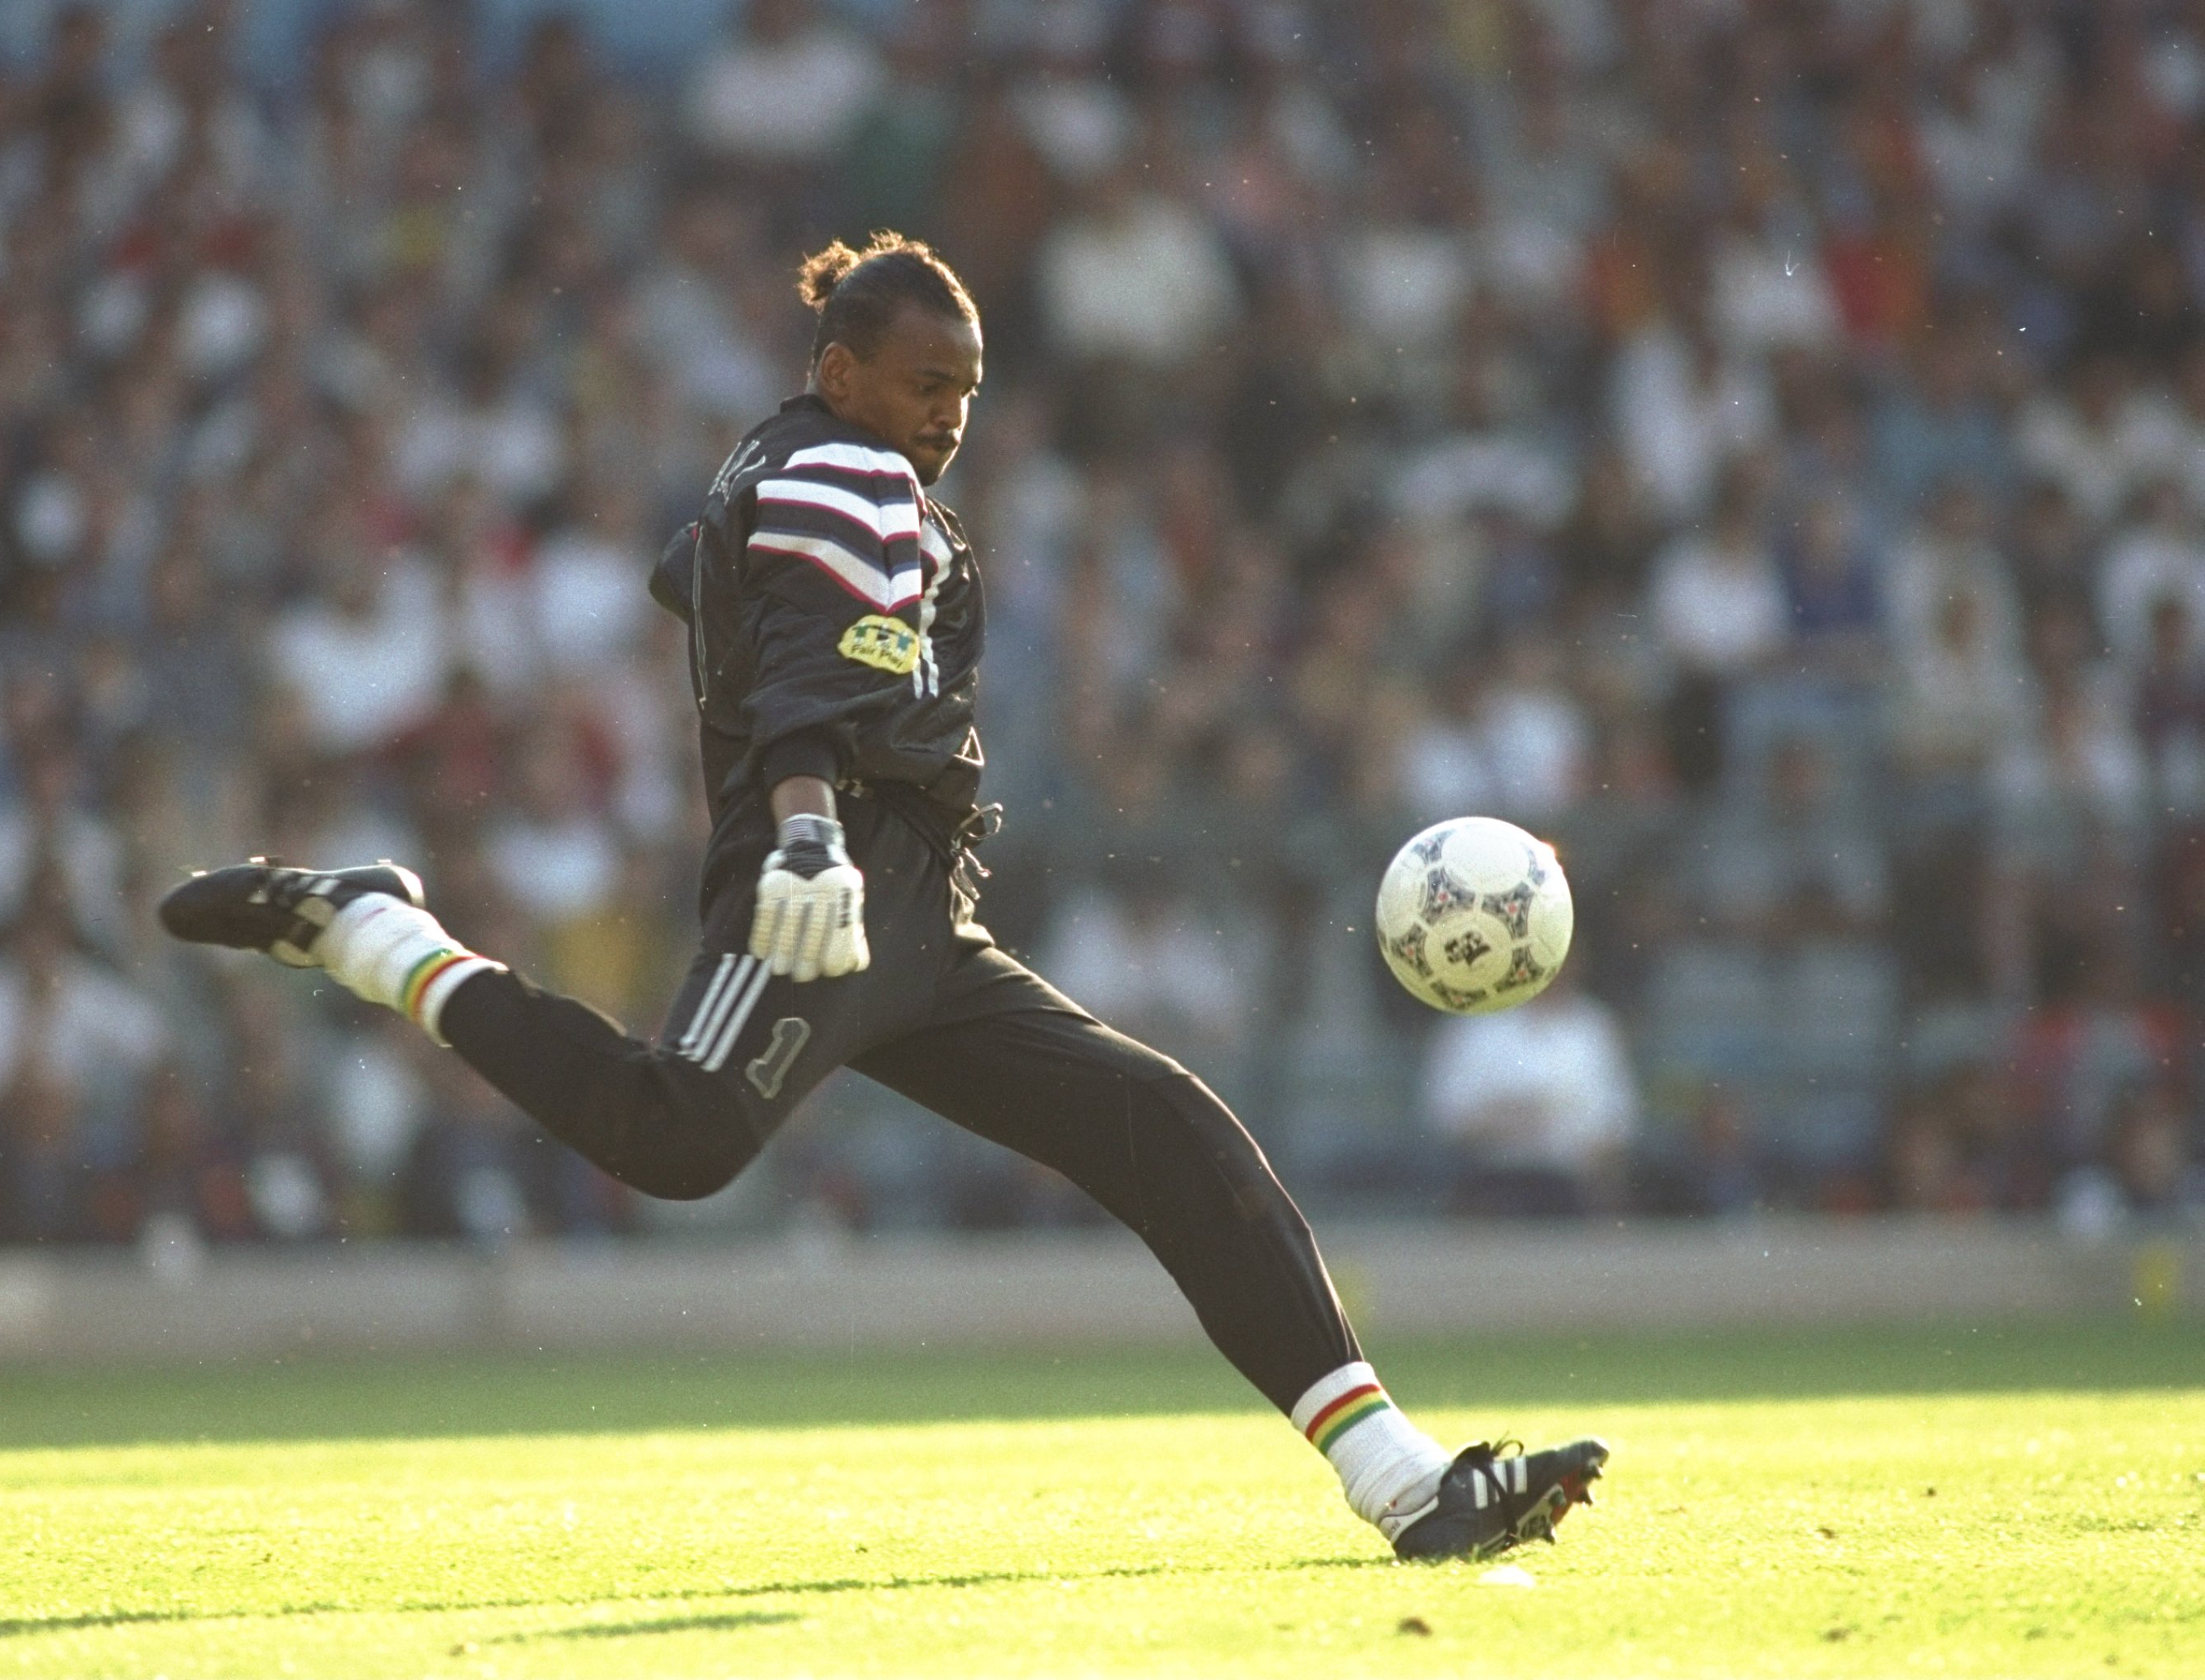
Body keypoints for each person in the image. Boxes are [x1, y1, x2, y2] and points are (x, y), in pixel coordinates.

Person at [160, 234, 1606, 1561]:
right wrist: (803, 836)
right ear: (839, 371)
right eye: (924, 383)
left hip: (915, 911)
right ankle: (373, 929)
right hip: (836, 885)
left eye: (967, 388)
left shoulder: (797, 471)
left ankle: (1406, 1481)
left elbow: (709, 584)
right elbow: (799, 693)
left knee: (1161, 1126)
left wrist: (746, 603)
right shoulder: (843, 474)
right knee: (676, 1138)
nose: (949, 413)